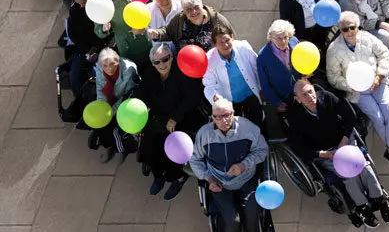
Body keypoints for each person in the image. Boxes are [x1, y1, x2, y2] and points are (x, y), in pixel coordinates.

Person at [286, 77, 389, 227]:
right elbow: (298, 147)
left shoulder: (327, 98)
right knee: (348, 172)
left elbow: (350, 116)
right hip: (325, 153)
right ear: (297, 99)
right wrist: (323, 154)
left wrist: (344, 140)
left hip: (343, 141)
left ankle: (379, 198)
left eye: (310, 92)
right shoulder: (295, 117)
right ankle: (362, 207)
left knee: (363, 165)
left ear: (314, 90)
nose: (310, 97)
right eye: (304, 95)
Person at [189, 97, 269, 232]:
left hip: (246, 181)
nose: (223, 120)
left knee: (251, 215)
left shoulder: (248, 128)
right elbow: (195, 160)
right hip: (220, 185)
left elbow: (262, 150)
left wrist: (244, 165)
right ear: (212, 118)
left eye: (227, 115)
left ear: (234, 113)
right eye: (218, 117)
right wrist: (209, 179)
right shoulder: (205, 134)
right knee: (231, 222)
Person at [326, 11, 389, 168]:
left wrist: (380, 75)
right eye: (345, 29)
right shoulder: (334, 49)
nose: (349, 32)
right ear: (340, 30)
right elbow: (333, 78)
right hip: (357, 91)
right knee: (377, 117)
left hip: (377, 82)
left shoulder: (368, 38)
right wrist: (354, 85)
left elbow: (384, 54)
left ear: (357, 27)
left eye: (352, 28)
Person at [138, 42, 204, 201]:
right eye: (157, 62)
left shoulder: (182, 73)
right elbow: (141, 93)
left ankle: (177, 178)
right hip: (157, 117)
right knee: (149, 147)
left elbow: (192, 97)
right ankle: (158, 176)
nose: (162, 64)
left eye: (165, 59)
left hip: (181, 118)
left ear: (172, 57)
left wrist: (175, 117)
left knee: (172, 150)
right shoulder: (150, 73)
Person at [90, 0, 152, 69]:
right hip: (126, 43)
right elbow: (98, 32)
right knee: (134, 69)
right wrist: (104, 28)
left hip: (143, 34)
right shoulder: (99, 3)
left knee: (154, 62)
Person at [203, 24, 264, 126]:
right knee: (236, 131)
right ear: (214, 44)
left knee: (258, 126)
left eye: (227, 40)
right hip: (229, 102)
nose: (226, 45)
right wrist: (215, 97)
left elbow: (257, 69)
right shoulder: (209, 59)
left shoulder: (244, 47)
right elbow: (208, 86)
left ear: (232, 37)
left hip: (251, 96)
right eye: (221, 42)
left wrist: (261, 88)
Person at [90, 47, 139, 162]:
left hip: (125, 100)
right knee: (101, 122)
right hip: (110, 98)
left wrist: (111, 111)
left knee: (115, 124)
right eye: (105, 66)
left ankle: (121, 147)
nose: (109, 69)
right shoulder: (99, 68)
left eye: (112, 64)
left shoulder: (128, 69)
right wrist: (102, 106)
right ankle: (109, 144)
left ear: (118, 60)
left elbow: (128, 94)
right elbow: (100, 88)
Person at [148, 0, 228, 52]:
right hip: (185, 66)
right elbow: (168, 32)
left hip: (211, 66)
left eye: (196, 7)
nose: (193, 12)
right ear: (184, 11)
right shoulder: (180, 19)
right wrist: (157, 33)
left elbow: (230, 40)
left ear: (201, 5)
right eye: (188, 10)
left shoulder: (217, 20)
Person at [256, 19, 299, 125]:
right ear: (271, 38)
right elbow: (264, 84)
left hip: (301, 92)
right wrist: (277, 102)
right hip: (284, 97)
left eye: (285, 37)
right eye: (279, 38)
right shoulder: (263, 56)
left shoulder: (294, 42)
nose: (283, 41)